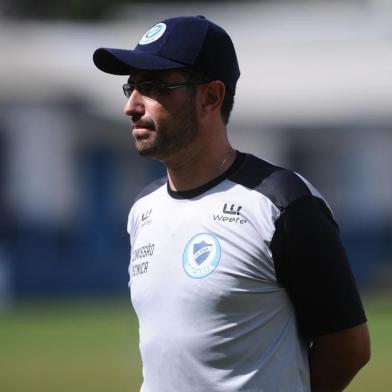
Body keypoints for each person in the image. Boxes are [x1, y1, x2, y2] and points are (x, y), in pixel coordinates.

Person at [93, 15, 370, 392]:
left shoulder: (281, 204)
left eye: (154, 86)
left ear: (210, 97)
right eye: (131, 87)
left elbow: (348, 348)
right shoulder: (143, 209)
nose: (132, 105)